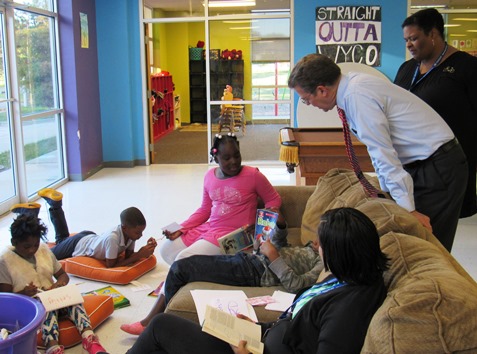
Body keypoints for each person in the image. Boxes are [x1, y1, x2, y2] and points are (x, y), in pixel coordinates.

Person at [125, 207, 389, 354]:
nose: (317, 245)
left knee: (161, 327)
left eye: (322, 243)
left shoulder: (349, 307)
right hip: (257, 339)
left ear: (340, 253)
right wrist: (257, 328)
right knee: (168, 330)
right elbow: (299, 321)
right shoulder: (344, 278)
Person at [288, 53, 468, 252]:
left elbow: (383, 153)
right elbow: (380, 152)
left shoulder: (357, 96)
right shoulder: (352, 88)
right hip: (426, 163)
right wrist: (385, 194)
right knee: (418, 240)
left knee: (428, 244)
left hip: (437, 166)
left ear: (322, 90)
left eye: (306, 99)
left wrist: (408, 210)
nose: (309, 104)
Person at [120, 210, 323, 335]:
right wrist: (279, 227)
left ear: (330, 248)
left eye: (319, 241)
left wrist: (273, 257)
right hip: (249, 259)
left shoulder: (320, 265)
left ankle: (157, 324)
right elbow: (281, 246)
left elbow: (297, 285)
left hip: (254, 271)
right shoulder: (310, 250)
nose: (314, 242)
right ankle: (158, 321)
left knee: (181, 268)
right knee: (186, 267)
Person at [394, 8, 477, 218]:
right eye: (406, 40)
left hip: (448, 164)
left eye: (414, 38)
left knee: (440, 225)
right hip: (411, 163)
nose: (408, 45)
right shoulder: (406, 69)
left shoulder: (467, 67)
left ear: (433, 34)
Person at [159, 133, 281, 265]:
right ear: (216, 158)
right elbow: (204, 210)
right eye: (227, 158)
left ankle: (182, 279)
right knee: (166, 250)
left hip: (238, 236)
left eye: (236, 155)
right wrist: (182, 227)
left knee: (183, 259)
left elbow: (274, 200)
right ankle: (192, 276)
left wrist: (261, 229)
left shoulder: (253, 175)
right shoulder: (209, 176)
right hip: (212, 228)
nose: (233, 161)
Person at [0, 214, 108, 354]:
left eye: (35, 245)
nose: (32, 250)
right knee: (46, 308)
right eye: (26, 247)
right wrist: (24, 293)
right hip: (30, 306)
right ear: (14, 242)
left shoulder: (43, 250)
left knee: (74, 301)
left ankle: (89, 338)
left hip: (53, 296)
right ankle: (52, 347)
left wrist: (60, 284)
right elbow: (6, 299)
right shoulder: (5, 261)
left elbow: (63, 275)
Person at [10, 188, 157, 267]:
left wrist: (145, 250)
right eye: (138, 232)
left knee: (61, 239)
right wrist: (139, 255)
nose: (140, 235)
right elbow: (111, 266)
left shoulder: (130, 234)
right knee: (49, 255)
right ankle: (31, 214)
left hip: (90, 238)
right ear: (124, 227)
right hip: (78, 244)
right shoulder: (113, 239)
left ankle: (55, 205)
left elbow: (128, 257)